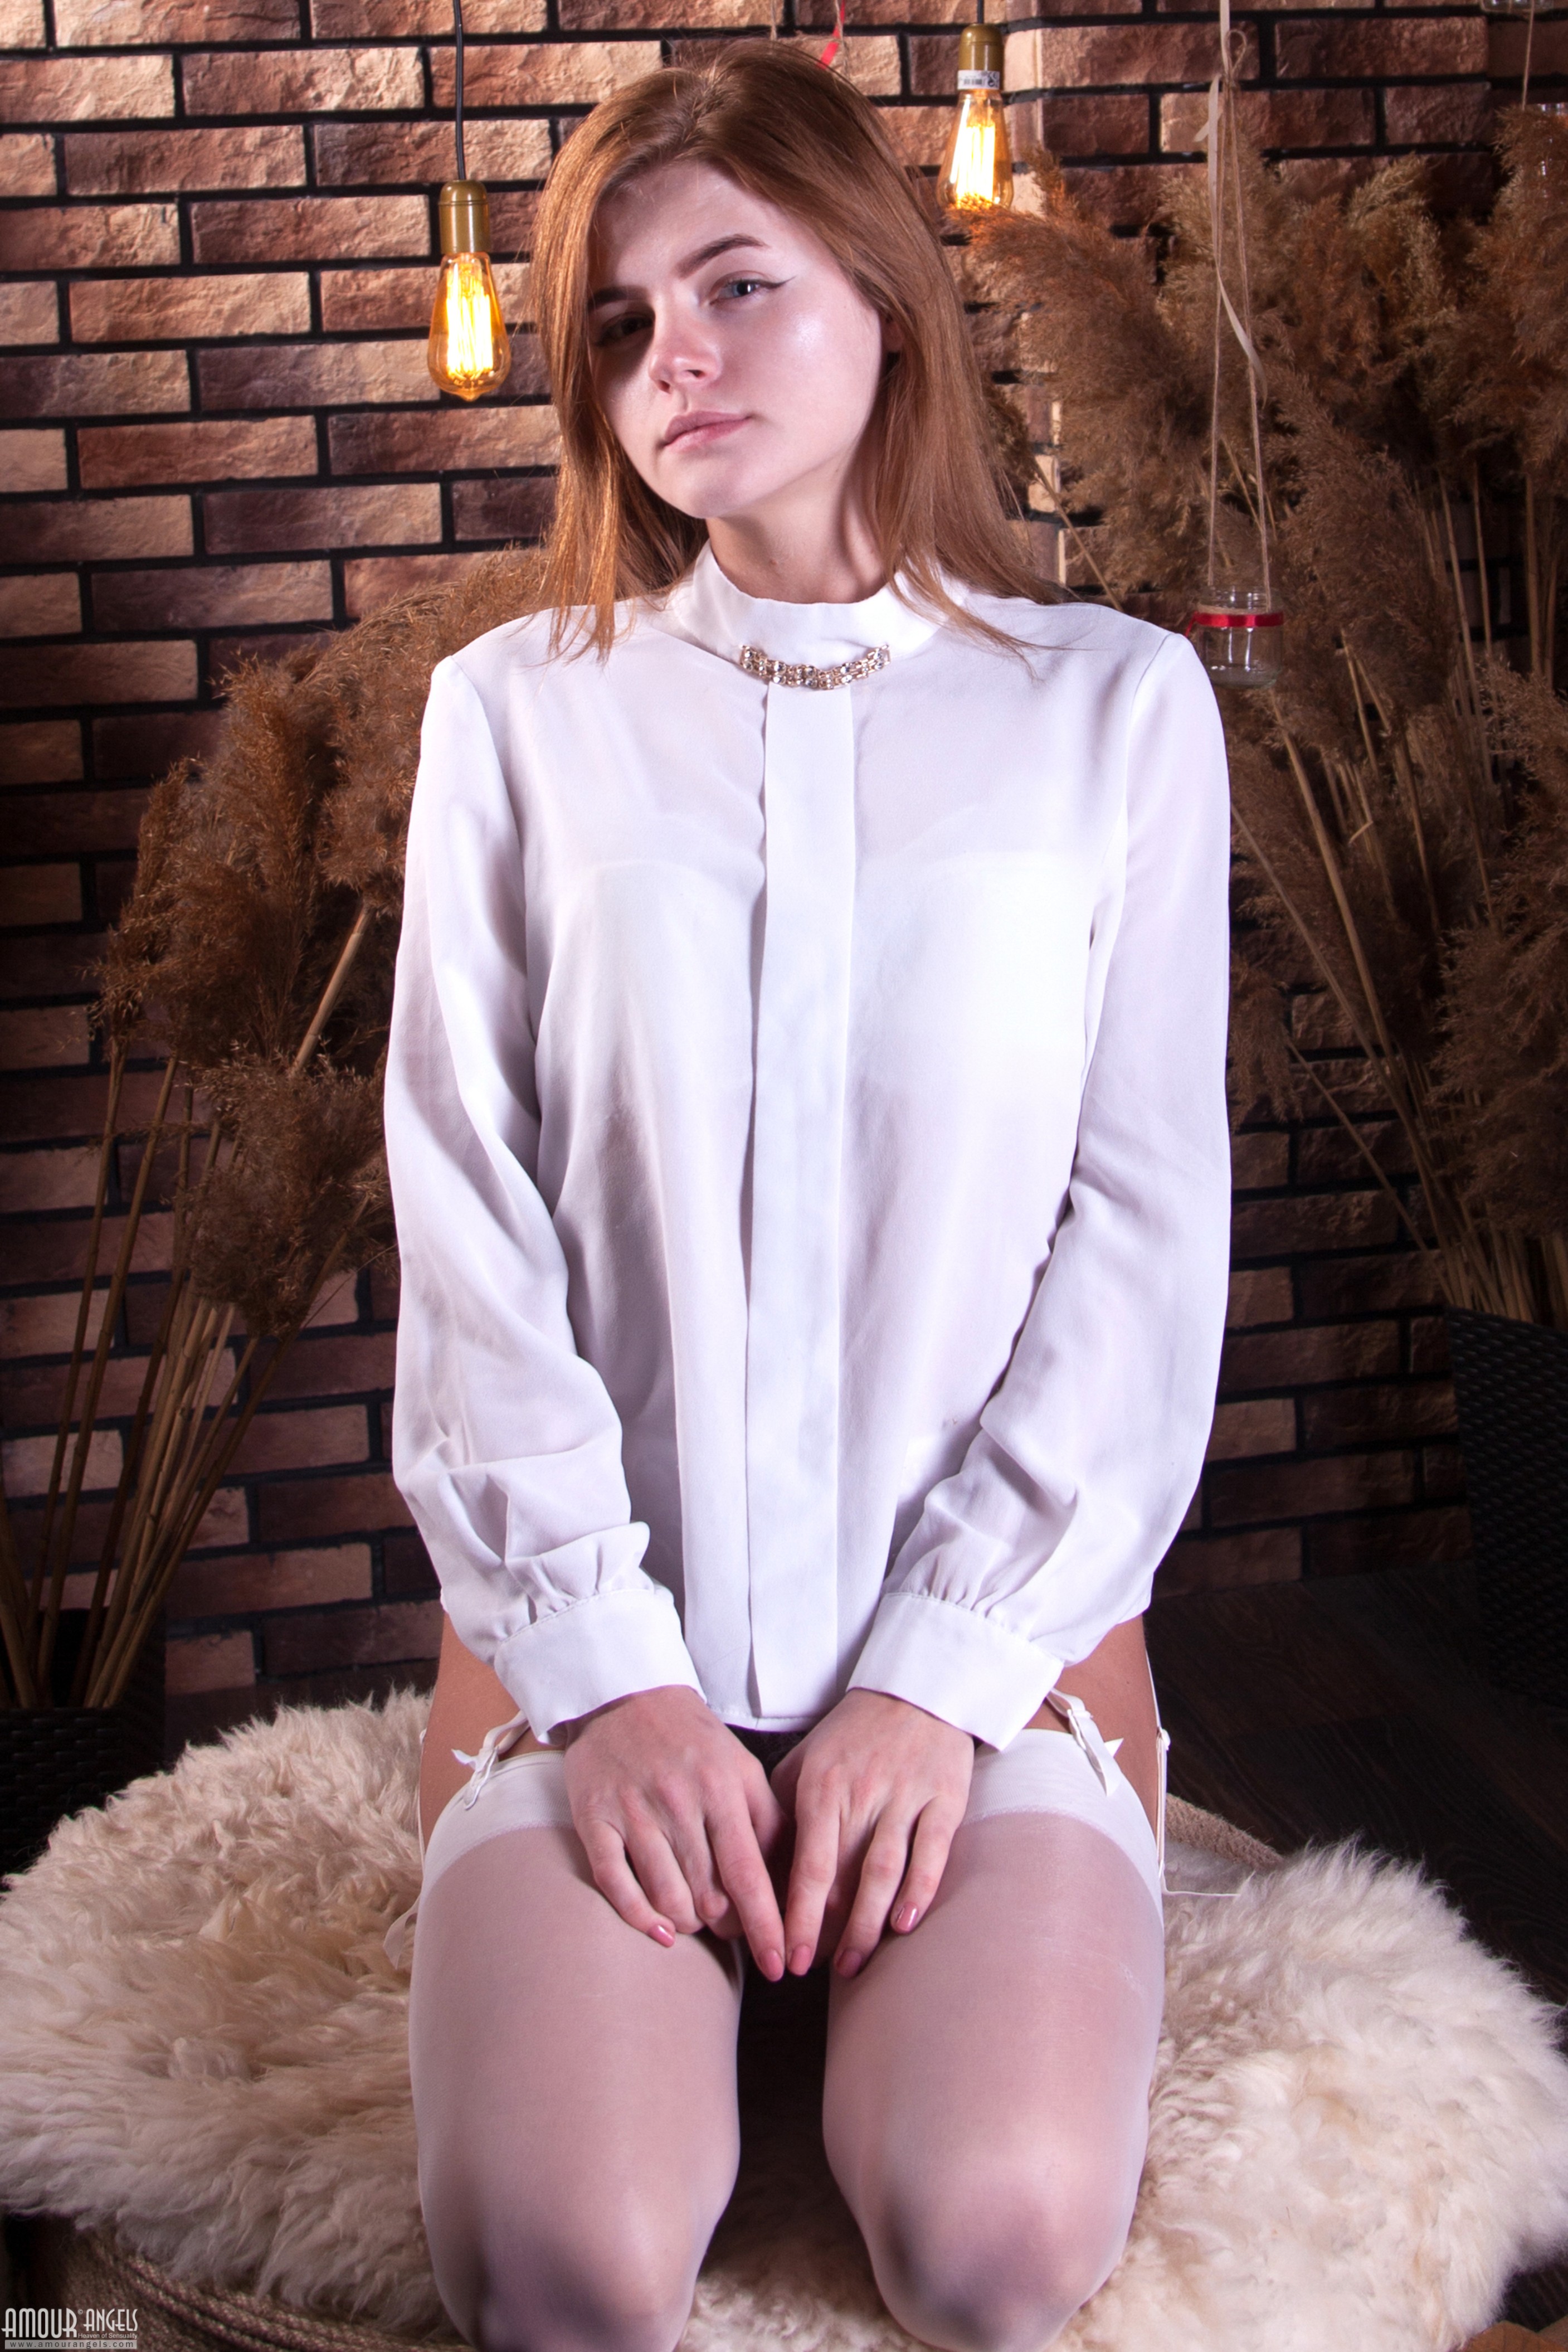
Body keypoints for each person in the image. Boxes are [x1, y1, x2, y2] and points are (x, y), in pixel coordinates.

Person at [384, 40, 1231, 2352]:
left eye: (734, 284)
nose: (675, 356)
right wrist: (608, 1678)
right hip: (598, 1652)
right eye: (622, 323)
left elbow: (1143, 1240)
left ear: (880, 293)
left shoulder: (1116, 713)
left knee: (993, 2228)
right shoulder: (515, 718)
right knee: (563, 2255)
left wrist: (938, 1678)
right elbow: (468, 1230)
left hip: (991, 1664)